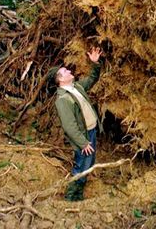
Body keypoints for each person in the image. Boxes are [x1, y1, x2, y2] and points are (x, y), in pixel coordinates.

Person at [48, 47, 103, 201]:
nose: (67, 70)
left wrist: (95, 63)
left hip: (90, 132)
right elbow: (69, 126)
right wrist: (83, 143)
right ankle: (71, 197)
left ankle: (77, 196)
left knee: (88, 164)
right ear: (60, 80)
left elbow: (92, 78)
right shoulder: (62, 100)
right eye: (64, 71)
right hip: (83, 137)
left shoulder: (76, 87)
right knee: (82, 166)